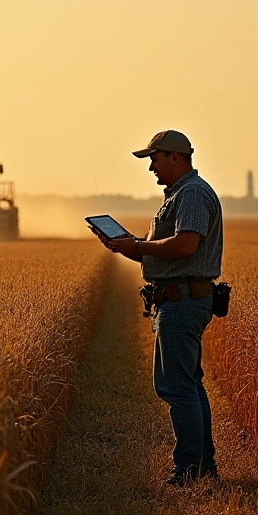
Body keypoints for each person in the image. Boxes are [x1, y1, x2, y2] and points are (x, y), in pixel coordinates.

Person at [101, 129, 224, 486]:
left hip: (182, 300)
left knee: (178, 388)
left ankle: (189, 471)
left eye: (154, 158)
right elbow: (173, 246)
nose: (151, 167)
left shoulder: (192, 194)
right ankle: (202, 466)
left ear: (174, 157)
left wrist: (139, 247)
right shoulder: (182, 194)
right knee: (189, 385)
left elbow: (185, 245)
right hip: (182, 297)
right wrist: (131, 247)